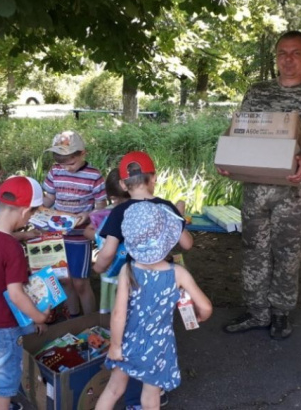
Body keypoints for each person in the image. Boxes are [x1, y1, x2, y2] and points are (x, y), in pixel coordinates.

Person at [219, 31, 301, 340]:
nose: (288, 59)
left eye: (296, 53)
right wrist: (227, 154)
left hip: (294, 189)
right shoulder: (258, 91)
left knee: (288, 252)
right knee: (253, 249)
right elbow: (240, 128)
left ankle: (281, 313)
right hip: (256, 188)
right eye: (282, 53)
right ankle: (256, 311)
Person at [93, 151, 192, 409]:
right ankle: (152, 390)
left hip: (133, 277)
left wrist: (98, 268)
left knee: (127, 325)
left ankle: (134, 387)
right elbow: (187, 244)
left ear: (124, 185)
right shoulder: (167, 207)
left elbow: (108, 253)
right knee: (156, 331)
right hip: (162, 279)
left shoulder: (121, 211)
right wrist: (179, 218)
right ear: (154, 179)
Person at [95, 201, 212, 410]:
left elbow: (119, 314)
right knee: (150, 399)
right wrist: (200, 315)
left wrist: (115, 345)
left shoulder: (127, 271)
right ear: (167, 239)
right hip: (158, 348)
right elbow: (205, 307)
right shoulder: (178, 273)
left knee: (113, 390)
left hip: (127, 342)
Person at [0, 176, 50, 410]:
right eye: (33, 213)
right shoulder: (13, 249)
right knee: (7, 373)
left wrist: (22, 236)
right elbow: (16, 294)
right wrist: (40, 317)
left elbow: (1, 243)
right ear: (25, 211)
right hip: (1, 324)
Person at [43, 131, 106, 316]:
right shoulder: (55, 171)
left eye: (71, 163)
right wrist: (37, 212)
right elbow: (49, 199)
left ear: (82, 153)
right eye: (62, 163)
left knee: (80, 282)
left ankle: (91, 322)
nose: (67, 168)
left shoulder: (94, 176)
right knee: (65, 279)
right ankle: (74, 317)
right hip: (57, 234)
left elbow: (100, 207)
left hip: (80, 236)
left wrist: (86, 215)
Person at [83, 168, 130, 315]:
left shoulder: (133, 212)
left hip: (122, 271)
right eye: (116, 199)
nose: (120, 203)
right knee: (117, 306)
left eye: (124, 199)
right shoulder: (107, 212)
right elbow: (87, 231)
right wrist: (102, 235)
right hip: (113, 271)